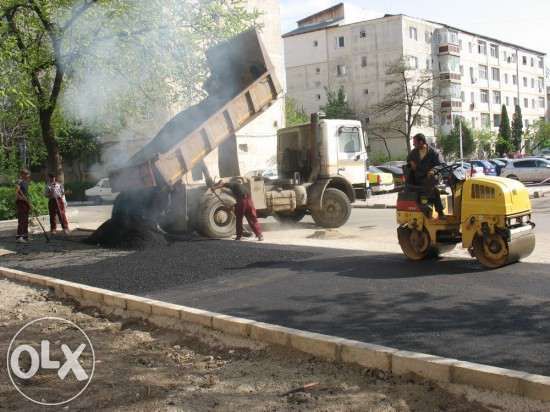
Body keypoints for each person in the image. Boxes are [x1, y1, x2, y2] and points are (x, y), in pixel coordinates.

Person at [406, 133, 446, 219]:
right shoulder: (414, 152)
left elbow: (442, 164)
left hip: (429, 179)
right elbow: (408, 159)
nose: (413, 144)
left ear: (421, 142)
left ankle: (440, 212)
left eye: (414, 143)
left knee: (434, 191)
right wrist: (410, 162)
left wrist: (433, 170)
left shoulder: (433, 152)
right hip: (417, 179)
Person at [15, 169, 31, 243]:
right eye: (26, 174)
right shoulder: (19, 182)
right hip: (21, 203)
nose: (28, 175)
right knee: (21, 220)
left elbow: (26, 193)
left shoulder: (26, 182)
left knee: (25, 220)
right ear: (22, 175)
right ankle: (19, 236)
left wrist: (28, 201)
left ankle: (25, 236)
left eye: (28, 174)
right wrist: (23, 198)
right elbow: (17, 193)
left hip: (26, 202)